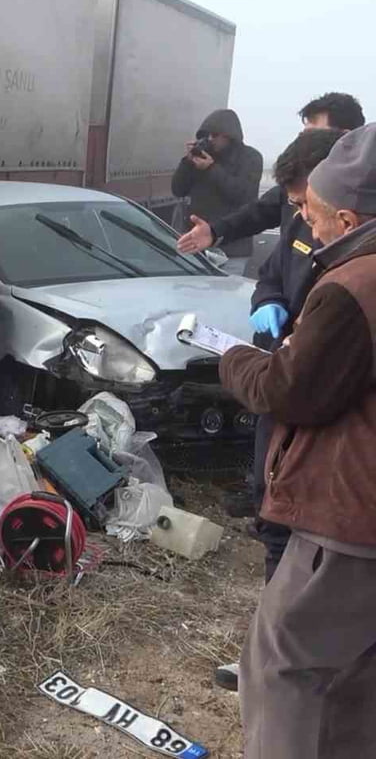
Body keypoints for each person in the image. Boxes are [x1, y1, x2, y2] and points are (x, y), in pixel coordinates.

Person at [220, 123, 376, 759]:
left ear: (344, 214)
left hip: (349, 514)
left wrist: (234, 358)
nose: (303, 225)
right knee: (357, 672)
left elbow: (290, 391)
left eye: (310, 213)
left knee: (284, 665)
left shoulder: (354, 284)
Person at [210, 127, 345, 694]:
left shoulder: (352, 264)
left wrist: (238, 360)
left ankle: (293, 668)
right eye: (292, 204)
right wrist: (267, 306)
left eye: (304, 204)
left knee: (306, 545)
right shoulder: (299, 219)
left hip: (313, 412)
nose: (298, 214)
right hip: (281, 398)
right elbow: (270, 278)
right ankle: (265, 659)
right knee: (273, 525)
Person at [177, 92, 365, 256]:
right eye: (298, 204)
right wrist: (214, 232)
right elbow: (258, 213)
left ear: (345, 137)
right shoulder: (296, 184)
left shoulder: (365, 193)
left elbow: (242, 194)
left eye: (312, 133)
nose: (305, 215)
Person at [170, 108, 263, 256]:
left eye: (214, 135)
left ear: (229, 135)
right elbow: (178, 189)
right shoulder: (203, 157)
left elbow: (243, 195)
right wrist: (187, 162)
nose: (210, 140)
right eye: (206, 136)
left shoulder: (250, 157)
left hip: (231, 247)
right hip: (197, 244)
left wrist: (211, 168)